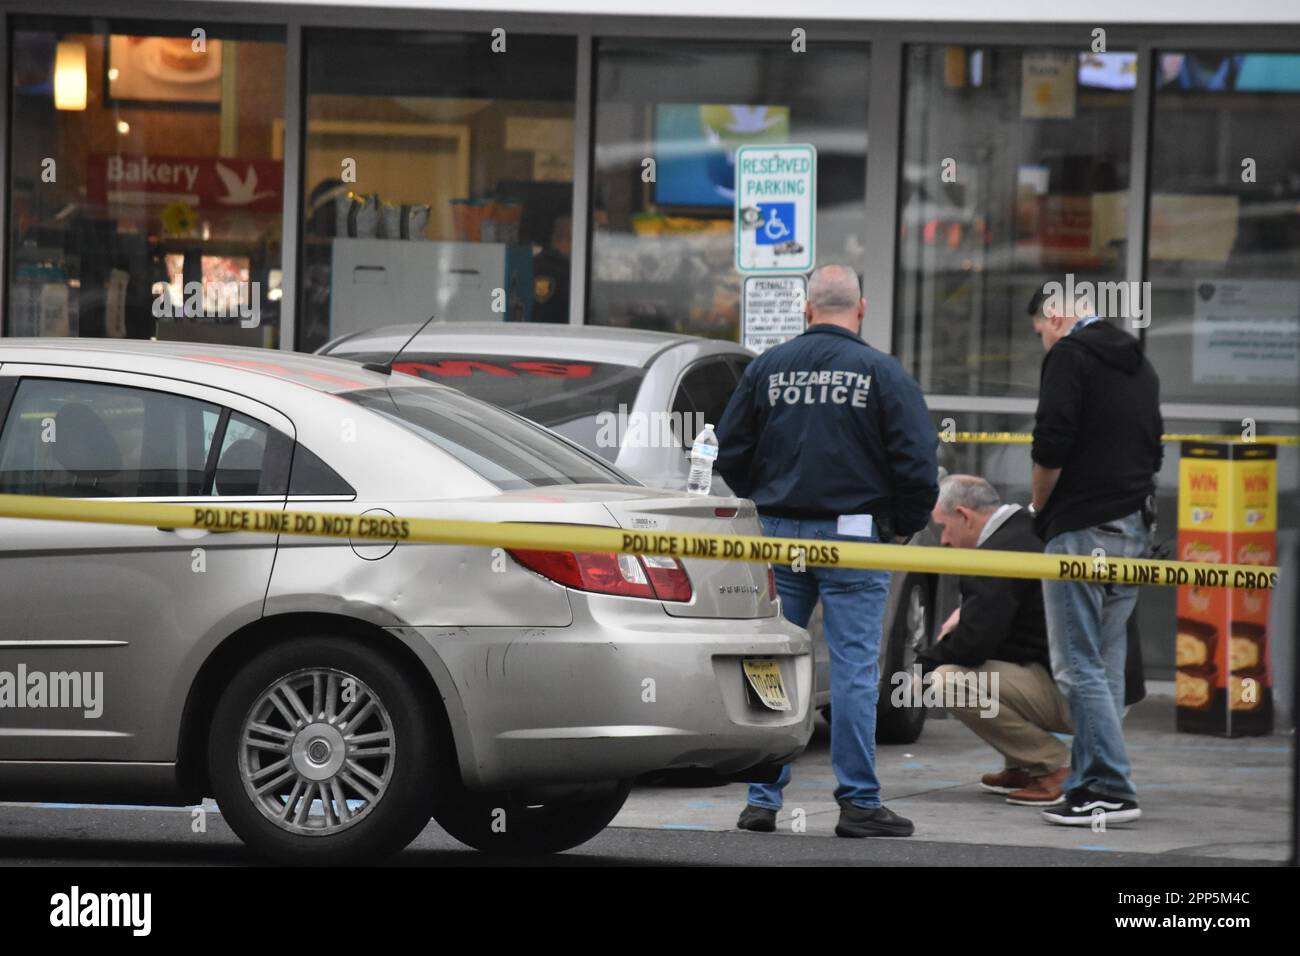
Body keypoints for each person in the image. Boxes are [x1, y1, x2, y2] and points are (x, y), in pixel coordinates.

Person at [715, 264, 938, 838]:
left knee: (773, 665)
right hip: (855, 536)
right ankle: (859, 804)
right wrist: (902, 526)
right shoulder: (882, 372)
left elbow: (731, 451)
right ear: (860, 310)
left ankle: (761, 800)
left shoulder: (766, 369)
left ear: (806, 310)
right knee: (856, 670)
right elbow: (918, 462)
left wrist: (764, 502)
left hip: (781, 533)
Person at [1027, 284, 1163, 826]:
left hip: (1082, 529)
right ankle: (1088, 785)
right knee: (1102, 670)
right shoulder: (1139, 363)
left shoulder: (1069, 356)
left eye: (1040, 327)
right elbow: (1153, 445)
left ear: (1056, 314)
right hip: (1133, 528)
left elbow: (1051, 443)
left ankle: (1111, 785)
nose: (1041, 338)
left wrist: (1040, 509)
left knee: (1076, 666)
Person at [920, 475, 1072, 806]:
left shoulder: (996, 554)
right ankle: (1021, 766)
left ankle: (1051, 765)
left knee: (946, 681)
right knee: (992, 668)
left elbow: (973, 645)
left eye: (943, 528)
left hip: (1081, 697)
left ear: (964, 515)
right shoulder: (1026, 528)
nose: (943, 541)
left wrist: (919, 668)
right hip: (1094, 684)